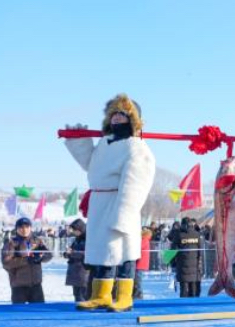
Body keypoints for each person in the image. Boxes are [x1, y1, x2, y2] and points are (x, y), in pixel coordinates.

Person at [64, 94, 157, 312]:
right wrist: (78, 141)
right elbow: (91, 165)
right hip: (100, 202)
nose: (116, 117)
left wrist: (125, 212)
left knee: (124, 251)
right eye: (113, 113)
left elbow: (136, 182)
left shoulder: (136, 147)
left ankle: (124, 296)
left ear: (132, 119)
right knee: (103, 251)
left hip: (119, 201)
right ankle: (101, 295)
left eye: (122, 114)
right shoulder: (105, 143)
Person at [2, 217, 52, 304]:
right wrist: (26, 260)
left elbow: (49, 255)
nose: (24, 230)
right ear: (17, 229)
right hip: (19, 286)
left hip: (36, 285)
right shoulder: (11, 243)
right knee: (19, 311)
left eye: (27, 227)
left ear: (30, 228)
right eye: (21, 227)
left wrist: (40, 257)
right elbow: (7, 263)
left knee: (39, 310)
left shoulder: (37, 241)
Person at [171, 217, 203, 298]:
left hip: (182, 265)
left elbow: (172, 250)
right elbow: (201, 250)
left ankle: (184, 304)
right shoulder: (197, 234)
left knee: (184, 290)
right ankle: (194, 304)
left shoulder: (179, 235)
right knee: (194, 290)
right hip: (195, 266)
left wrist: (173, 263)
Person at [64, 219, 90, 302]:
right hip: (75, 273)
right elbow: (71, 251)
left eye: (75, 230)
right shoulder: (77, 239)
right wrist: (67, 253)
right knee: (77, 296)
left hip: (83, 273)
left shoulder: (88, 239)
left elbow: (88, 254)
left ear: (80, 229)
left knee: (83, 297)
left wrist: (72, 253)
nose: (73, 232)